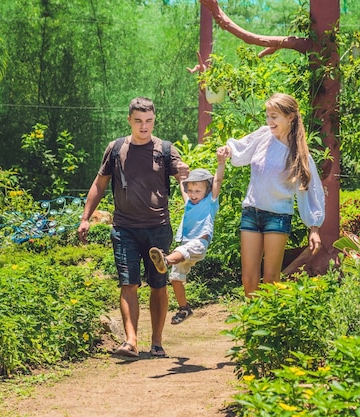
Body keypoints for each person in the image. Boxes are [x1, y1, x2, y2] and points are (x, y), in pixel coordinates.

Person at [77, 97, 189, 358]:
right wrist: (85, 217)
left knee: (158, 284)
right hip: (124, 228)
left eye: (148, 121)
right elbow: (99, 184)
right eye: (138, 121)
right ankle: (131, 341)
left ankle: (157, 341)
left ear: (154, 120)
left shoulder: (166, 150)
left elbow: (184, 182)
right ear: (129, 120)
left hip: (158, 228)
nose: (144, 126)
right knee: (129, 283)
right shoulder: (116, 149)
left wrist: (187, 186)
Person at [218, 93, 325, 297]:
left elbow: (312, 192)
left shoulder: (300, 154)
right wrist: (227, 150)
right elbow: (241, 149)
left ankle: (269, 326)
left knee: (270, 280)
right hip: (251, 212)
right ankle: (251, 325)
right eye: (267, 116)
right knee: (248, 279)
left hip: (277, 217)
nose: (269, 121)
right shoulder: (263, 135)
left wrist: (314, 227)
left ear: (290, 117)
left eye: (274, 116)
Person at [148, 151, 226, 325]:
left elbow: (218, 181)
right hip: (185, 245)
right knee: (175, 278)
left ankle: (166, 261)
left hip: (199, 243)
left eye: (198, 190)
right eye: (190, 191)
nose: (193, 194)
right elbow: (182, 182)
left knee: (178, 253)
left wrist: (221, 163)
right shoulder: (189, 203)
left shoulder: (211, 202)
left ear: (207, 190)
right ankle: (184, 308)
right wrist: (182, 172)